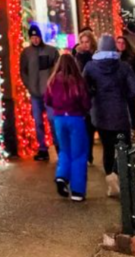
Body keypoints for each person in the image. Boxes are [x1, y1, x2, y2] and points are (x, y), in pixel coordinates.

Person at [83, 35, 135, 197]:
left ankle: (111, 179)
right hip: (120, 114)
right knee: (125, 147)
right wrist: (123, 94)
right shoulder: (123, 67)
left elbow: (83, 89)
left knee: (107, 148)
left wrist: (94, 94)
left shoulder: (90, 67)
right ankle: (120, 174)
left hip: (100, 115)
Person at [44, 53, 91, 201]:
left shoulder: (52, 81)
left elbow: (47, 100)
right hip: (76, 118)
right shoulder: (77, 81)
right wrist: (84, 111)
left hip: (59, 119)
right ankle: (77, 191)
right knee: (78, 154)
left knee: (64, 151)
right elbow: (86, 102)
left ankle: (61, 176)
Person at [19, 23, 59, 161]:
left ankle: (58, 146)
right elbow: (23, 71)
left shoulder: (51, 51)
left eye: (37, 37)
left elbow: (57, 68)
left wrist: (53, 85)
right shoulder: (26, 53)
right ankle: (42, 149)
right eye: (33, 37)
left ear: (41, 37)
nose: (35, 39)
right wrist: (29, 85)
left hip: (49, 94)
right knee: (38, 122)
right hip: (35, 93)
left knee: (52, 120)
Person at [73, 29, 97, 163]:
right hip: (84, 94)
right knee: (87, 127)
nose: (84, 44)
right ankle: (88, 154)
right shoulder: (78, 55)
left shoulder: (96, 55)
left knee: (95, 125)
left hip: (96, 94)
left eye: (87, 42)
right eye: (82, 42)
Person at [116, 35, 135, 134]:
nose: (120, 45)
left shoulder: (132, 57)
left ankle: (133, 130)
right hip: (117, 89)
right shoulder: (114, 56)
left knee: (132, 110)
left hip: (128, 88)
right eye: (118, 43)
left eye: (122, 43)